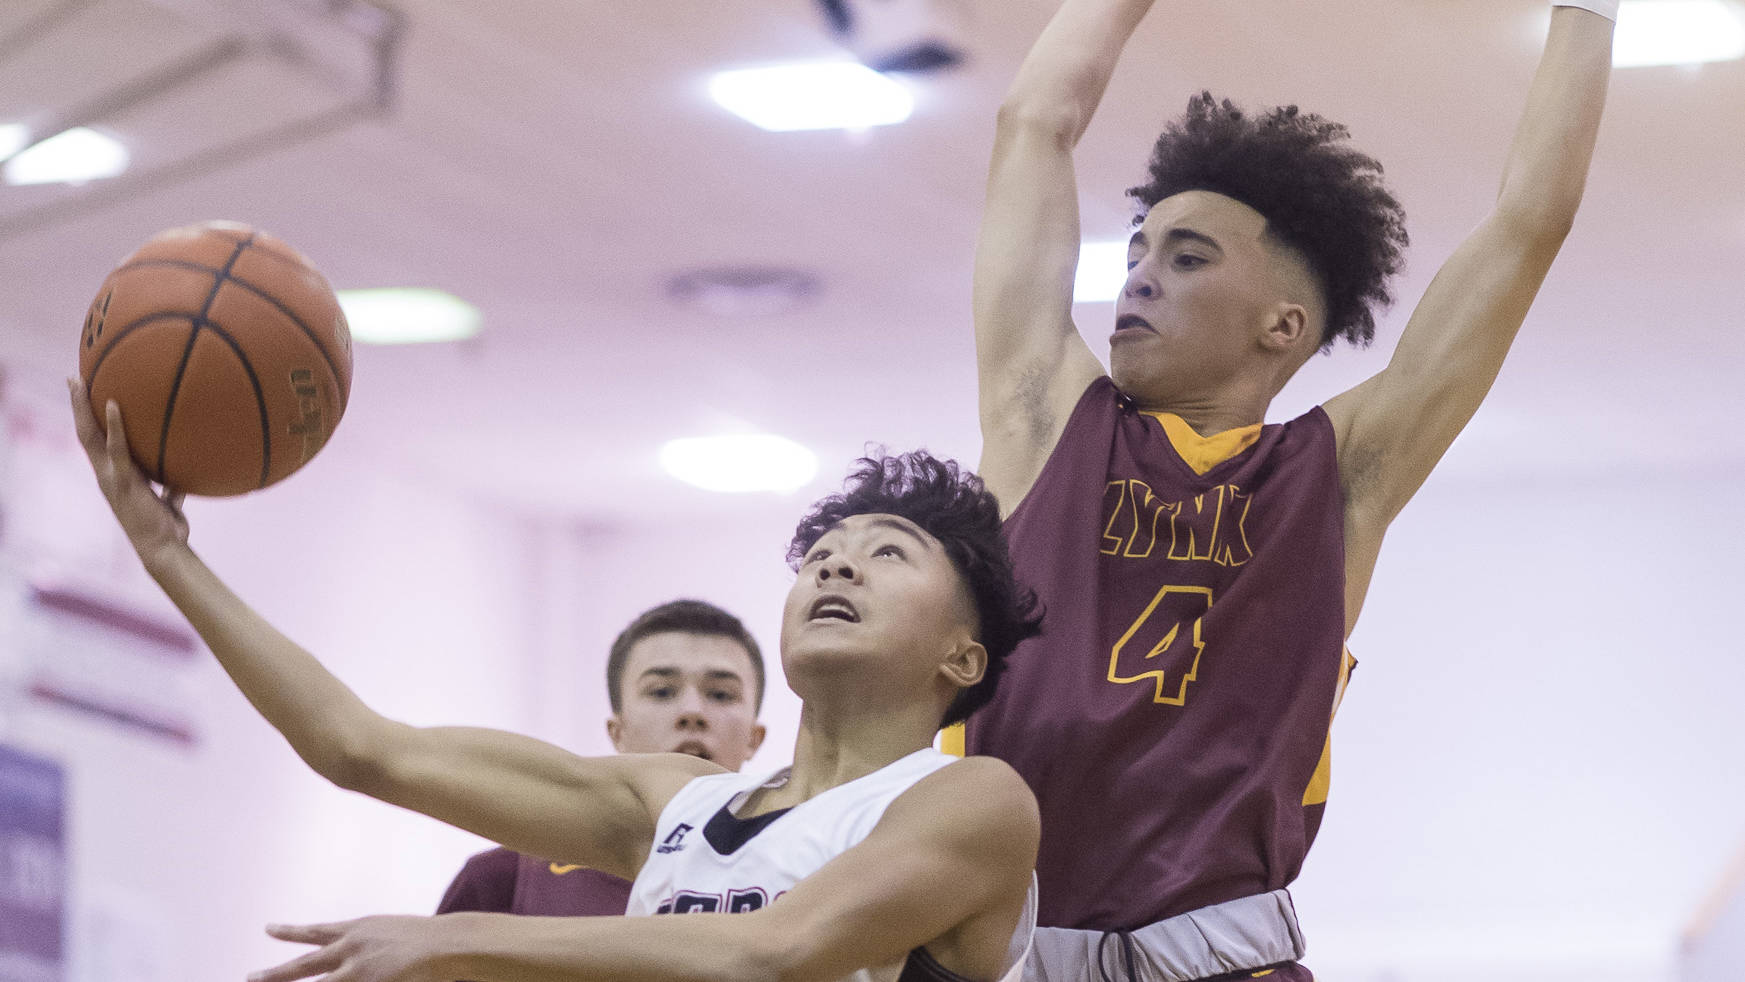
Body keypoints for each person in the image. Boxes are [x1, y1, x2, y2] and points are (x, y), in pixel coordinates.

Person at [963, 1, 1616, 978]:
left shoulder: (1339, 474)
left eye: (1184, 258)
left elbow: (1530, 222)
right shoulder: (1042, 416)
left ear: (1282, 324)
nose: (1136, 276)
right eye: (1136, 249)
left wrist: (1589, 13)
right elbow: (1031, 125)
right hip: (1003, 948)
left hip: (1222, 956)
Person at [69, 384, 1041, 982]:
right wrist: (168, 555)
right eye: (821, 553)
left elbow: (768, 955)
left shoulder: (969, 800)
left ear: (962, 654)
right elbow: (361, 746)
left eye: (885, 553)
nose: (835, 566)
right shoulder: (676, 805)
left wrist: (455, 943)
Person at [436, 599, 768, 920]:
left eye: (721, 694)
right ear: (617, 731)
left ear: (754, 738)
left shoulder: (800, 883)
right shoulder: (502, 878)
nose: (692, 712)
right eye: (662, 691)